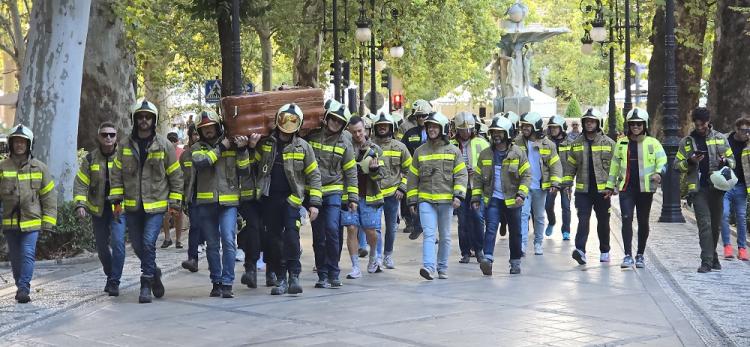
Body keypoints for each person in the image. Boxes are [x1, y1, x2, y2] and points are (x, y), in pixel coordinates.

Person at [109, 99, 183, 303]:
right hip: (132, 205)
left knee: (149, 243)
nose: (144, 120)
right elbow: (116, 175)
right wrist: (116, 202)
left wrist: (175, 202)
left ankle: (146, 283)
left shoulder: (165, 145)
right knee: (138, 246)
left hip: (156, 204)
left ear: (154, 120)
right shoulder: (123, 145)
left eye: (148, 117)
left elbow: (175, 176)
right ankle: (155, 273)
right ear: (135, 119)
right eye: (140, 117)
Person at [246, 103, 322, 295]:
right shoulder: (266, 144)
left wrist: (314, 203)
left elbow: (314, 175)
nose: (288, 124)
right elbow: (252, 167)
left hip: (292, 200)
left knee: (291, 236)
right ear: (278, 120)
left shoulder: (303, 147)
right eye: (285, 120)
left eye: (293, 120)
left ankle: (294, 276)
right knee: (273, 240)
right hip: (270, 199)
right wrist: (251, 148)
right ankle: (280, 278)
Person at [190, 110, 250, 298]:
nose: (208, 130)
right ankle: (216, 282)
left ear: (218, 127)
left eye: (210, 127)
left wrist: (241, 150)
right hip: (206, 203)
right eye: (204, 128)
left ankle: (227, 283)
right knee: (212, 245)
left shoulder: (231, 144)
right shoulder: (197, 147)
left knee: (229, 241)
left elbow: (244, 171)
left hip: (229, 201)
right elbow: (201, 162)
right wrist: (221, 149)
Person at [407, 112, 468, 280]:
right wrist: (412, 200)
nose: (431, 129)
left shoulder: (454, 151)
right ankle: (428, 267)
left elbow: (461, 175)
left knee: (445, 236)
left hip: (446, 201)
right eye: (429, 127)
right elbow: (412, 177)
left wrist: (458, 196)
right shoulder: (419, 151)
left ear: (442, 129)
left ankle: (442, 267)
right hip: (426, 200)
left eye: (435, 126)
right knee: (429, 234)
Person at [604, 108, 667, 268]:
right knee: (626, 218)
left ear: (644, 125)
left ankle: (640, 254)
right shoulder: (621, 143)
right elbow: (615, 166)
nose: (635, 127)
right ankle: (627, 255)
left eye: (638, 124)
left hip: (645, 189)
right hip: (627, 188)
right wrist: (610, 186)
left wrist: (659, 173)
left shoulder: (653, 143)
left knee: (643, 221)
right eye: (632, 124)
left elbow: (663, 161)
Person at [1, 125, 57, 303]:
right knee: (16, 258)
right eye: (16, 141)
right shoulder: (2, 167)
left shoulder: (39, 168)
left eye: (23, 142)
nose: (19, 145)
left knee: (27, 253)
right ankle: (20, 285)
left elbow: (49, 197)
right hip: (10, 222)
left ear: (29, 144)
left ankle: (24, 288)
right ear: (11, 144)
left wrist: (48, 223)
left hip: (32, 221)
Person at [675, 107, 735, 273]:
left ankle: (713, 255)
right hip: (698, 189)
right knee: (705, 225)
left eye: (703, 124)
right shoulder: (687, 142)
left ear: (708, 122)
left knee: (715, 225)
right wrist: (690, 160)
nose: (700, 127)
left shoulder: (720, 138)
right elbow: (677, 165)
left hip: (717, 188)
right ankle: (706, 261)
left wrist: (725, 161)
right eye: (697, 124)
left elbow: (733, 161)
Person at [305, 100, 357, 289]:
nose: (335, 123)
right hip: (314, 193)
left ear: (343, 125)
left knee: (333, 230)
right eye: (333, 119)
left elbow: (351, 171)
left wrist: (352, 198)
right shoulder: (311, 135)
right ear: (327, 118)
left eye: (339, 121)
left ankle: (334, 272)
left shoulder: (345, 142)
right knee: (318, 236)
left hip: (334, 191)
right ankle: (322, 274)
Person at [473, 116, 530, 275]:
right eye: (493, 132)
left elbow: (526, 175)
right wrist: (476, 197)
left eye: (499, 132)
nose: (496, 135)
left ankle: (515, 262)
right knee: (491, 228)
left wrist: (522, 194)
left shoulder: (518, 153)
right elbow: (477, 178)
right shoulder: (485, 154)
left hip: (513, 200)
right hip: (493, 199)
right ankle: (488, 259)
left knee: (515, 231)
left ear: (508, 134)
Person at [74, 121, 125, 296]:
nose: (108, 138)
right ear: (99, 137)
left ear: (116, 137)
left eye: (112, 134)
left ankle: (114, 281)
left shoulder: (124, 157)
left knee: (118, 243)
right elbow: (81, 183)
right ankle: (111, 274)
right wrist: (80, 204)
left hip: (118, 206)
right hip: (98, 208)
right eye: (105, 135)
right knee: (102, 248)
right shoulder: (90, 159)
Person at [563, 108, 615, 265]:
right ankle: (580, 251)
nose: (589, 124)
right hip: (583, 191)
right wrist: (567, 184)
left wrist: (613, 187)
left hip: (603, 191)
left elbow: (616, 167)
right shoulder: (576, 143)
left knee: (603, 221)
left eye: (592, 121)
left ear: (598, 123)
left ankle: (605, 250)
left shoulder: (609, 143)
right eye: (586, 121)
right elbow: (570, 166)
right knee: (583, 220)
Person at [342, 116, 386, 279]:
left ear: (366, 130)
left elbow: (383, 175)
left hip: (370, 196)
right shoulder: (345, 148)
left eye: (360, 131)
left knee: (371, 232)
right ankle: (355, 267)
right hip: (349, 196)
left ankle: (373, 256)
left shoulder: (376, 150)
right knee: (351, 229)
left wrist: (374, 171)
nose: (357, 134)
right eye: (354, 132)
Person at [514, 112, 562, 256]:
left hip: (541, 186)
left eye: (528, 125)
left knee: (539, 216)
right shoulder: (517, 142)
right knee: (523, 214)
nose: (524, 128)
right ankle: (522, 244)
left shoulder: (549, 144)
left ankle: (538, 243)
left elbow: (556, 165)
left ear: (536, 127)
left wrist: (555, 182)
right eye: (523, 125)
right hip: (523, 185)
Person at [372, 112, 411, 269]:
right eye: (380, 125)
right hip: (373, 193)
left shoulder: (400, 147)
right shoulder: (369, 146)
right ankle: (378, 256)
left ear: (391, 127)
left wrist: (402, 187)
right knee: (375, 228)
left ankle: (388, 255)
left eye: (385, 125)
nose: (382, 128)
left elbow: (410, 170)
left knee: (391, 227)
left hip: (393, 195)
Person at [451, 111, 489, 263]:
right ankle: (465, 252)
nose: (465, 132)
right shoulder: (451, 144)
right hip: (459, 188)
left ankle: (479, 250)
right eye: (462, 129)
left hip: (476, 187)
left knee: (478, 218)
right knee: (463, 221)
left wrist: (475, 169)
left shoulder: (482, 143)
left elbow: (489, 164)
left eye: (468, 129)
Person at [401, 100, 433, 239]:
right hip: (414, 172)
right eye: (418, 116)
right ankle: (415, 224)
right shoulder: (409, 133)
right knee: (413, 199)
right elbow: (402, 150)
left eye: (424, 116)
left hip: (432, 173)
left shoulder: (436, 132)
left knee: (429, 201)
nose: (421, 118)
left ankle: (430, 231)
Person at [720, 117, 750, 260]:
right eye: (744, 130)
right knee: (724, 214)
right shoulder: (725, 140)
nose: (746, 133)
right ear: (737, 129)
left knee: (741, 217)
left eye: (749, 131)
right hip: (725, 184)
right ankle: (727, 246)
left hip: (741, 187)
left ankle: (742, 248)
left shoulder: (748, 144)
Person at [181, 124, 205, 273]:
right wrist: (182, 199)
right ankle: (193, 259)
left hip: (210, 196)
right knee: (195, 226)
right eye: (194, 134)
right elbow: (181, 179)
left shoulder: (210, 152)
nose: (196, 137)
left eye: (198, 134)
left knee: (212, 230)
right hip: (193, 197)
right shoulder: (185, 156)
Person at [545, 115, 572, 240]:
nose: (553, 130)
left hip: (566, 181)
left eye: (555, 127)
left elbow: (574, 162)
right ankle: (551, 222)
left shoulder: (570, 143)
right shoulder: (547, 143)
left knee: (566, 207)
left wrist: (571, 179)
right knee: (548, 206)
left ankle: (566, 230)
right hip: (552, 181)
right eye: (551, 127)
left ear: (562, 128)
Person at [161, 132, 185, 249]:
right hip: (165, 187)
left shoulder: (182, 153)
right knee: (165, 214)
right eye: (170, 140)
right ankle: (167, 238)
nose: (172, 143)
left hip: (177, 188)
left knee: (177, 214)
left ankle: (179, 239)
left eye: (174, 140)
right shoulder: (163, 152)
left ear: (177, 142)